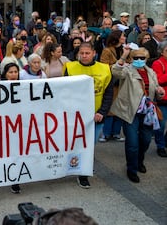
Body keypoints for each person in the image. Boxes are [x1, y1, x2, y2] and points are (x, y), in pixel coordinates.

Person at [111, 47, 164, 183]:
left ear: (146, 59)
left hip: (147, 112)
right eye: (136, 58)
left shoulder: (150, 72)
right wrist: (124, 55)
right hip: (130, 111)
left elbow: (156, 86)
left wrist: (159, 90)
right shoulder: (128, 70)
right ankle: (132, 168)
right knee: (132, 143)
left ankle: (139, 161)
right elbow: (115, 72)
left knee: (146, 140)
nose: (139, 60)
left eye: (142, 58)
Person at [63, 41, 113, 188]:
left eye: (87, 53)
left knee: (90, 145)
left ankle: (83, 167)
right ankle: (82, 174)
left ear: (94, 54)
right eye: (82, 53)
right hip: (76, 116)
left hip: (96, 117)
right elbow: (64, 92)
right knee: (78, 145)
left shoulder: (105, 69)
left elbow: (108, 94)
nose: (84, 56)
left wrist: (102, 112)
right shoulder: (70, 68)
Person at [99, 30, 127, 142]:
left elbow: (130, 60)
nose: (125, 37)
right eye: (123, 36)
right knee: (110, 108)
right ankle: (106, 133)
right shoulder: (107, 50)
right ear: (117, 38)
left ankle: (116, 133)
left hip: (122, 82)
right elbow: (103, 65)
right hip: (112, 81)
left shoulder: (125, 49)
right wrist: (119, 64)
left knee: (119, 108)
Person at [0, 63, 22, 194]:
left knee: (16, 153)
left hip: (18, 126)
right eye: (10, 72)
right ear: (5, 74)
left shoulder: (25, 87)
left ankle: (15, 179)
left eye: (15, 72)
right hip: (3, 126)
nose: (14, 75)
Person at [151, 41, 167, 157]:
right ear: (161, 52)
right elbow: (158, 80)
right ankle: (160, 146)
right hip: (163, 99)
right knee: (161, 125)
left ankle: (164, 142)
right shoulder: (157, 63)